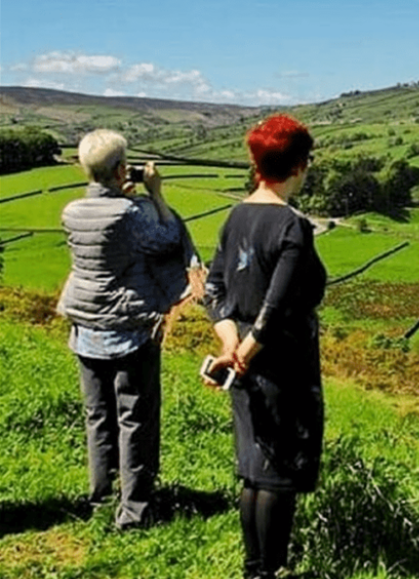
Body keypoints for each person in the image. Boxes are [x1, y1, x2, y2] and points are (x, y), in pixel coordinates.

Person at [203, 114, 327, 579]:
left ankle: (254, 568)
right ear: (298, 165)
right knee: (278, 476)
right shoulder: (293, 227)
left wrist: (230, 340)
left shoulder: (236, 215)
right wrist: (248, 348)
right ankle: (269, 572)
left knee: (255, 468)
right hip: (283, 365)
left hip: (245, 367)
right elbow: (279, 307)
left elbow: (215, 287)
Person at [57, 129, 198, 529]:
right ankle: (135, 510)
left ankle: (101, 498)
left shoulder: (71, 212)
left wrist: (121, 190)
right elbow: (168, 239)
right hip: (128, 330)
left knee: (97, 416)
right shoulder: (130, 214)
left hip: (85, 326)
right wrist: (155, 194)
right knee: (135, 417)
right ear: (121, 169)